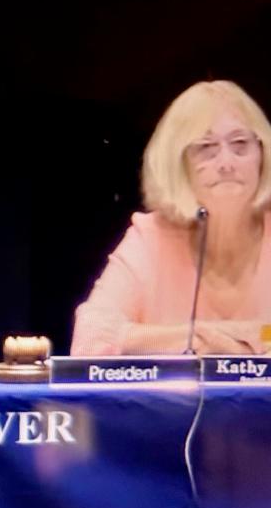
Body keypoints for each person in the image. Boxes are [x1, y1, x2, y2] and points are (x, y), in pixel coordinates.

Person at [72, 80, 271, 355]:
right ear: (179, 165)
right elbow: (89, 338)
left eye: (240, 144)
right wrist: (196, 336)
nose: (226, 163)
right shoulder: (151, 239)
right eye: (206, 147)